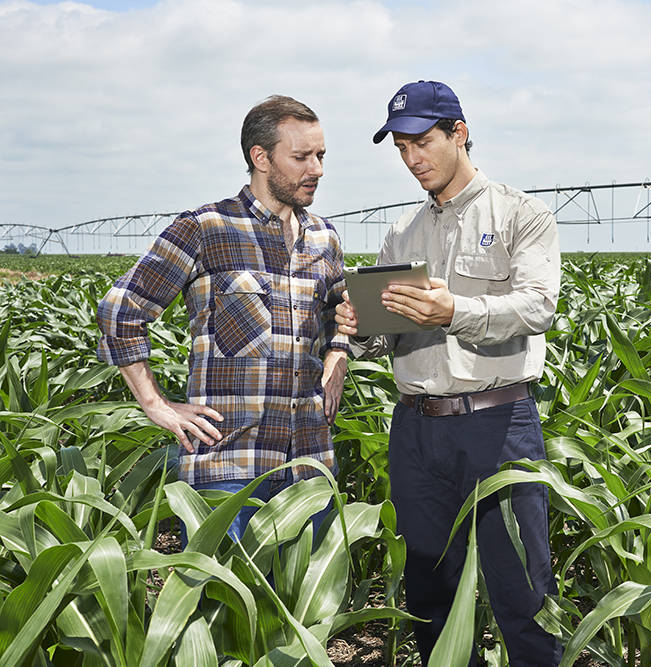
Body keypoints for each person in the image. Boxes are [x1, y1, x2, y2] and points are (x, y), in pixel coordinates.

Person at [335, 80, 563, 666]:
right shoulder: (402, 234)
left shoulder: (521, 215)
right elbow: (385, 333)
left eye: (423, 142)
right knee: (429, 593)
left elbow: (538, 306)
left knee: (523, 590)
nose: (412, 159)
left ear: (459, 133)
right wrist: (359, 326)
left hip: (497, 423)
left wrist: (456, 311)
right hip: (416, 431)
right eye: (401, 148)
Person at [97, 95, 348, 542]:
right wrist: (156, 405)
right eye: (302, 157)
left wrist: (338, 358)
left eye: (321, 155)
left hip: (311, 468)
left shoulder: (324, 238)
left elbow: (338, 319)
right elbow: (121, 310)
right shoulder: (206, 228)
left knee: (309, 611)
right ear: (261, 158)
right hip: (229, 468)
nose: (317, 169)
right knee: (226, 607)